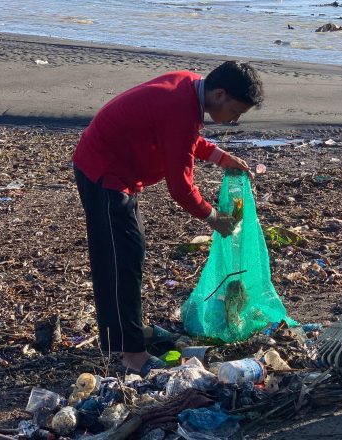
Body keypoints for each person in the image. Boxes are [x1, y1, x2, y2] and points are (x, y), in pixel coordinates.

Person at [72, 61, 263, 376]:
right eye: (236, 111)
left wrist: (220, 157)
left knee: (121, 257)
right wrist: (214, 217)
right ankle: (131, 354)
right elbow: (180, 187)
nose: (235, 119)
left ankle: (118, 339)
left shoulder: (187, 88)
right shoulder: (180, 109)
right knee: (122, 260)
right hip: (104, 173)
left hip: (113, 171)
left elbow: (185, 140)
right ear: (219, 93)